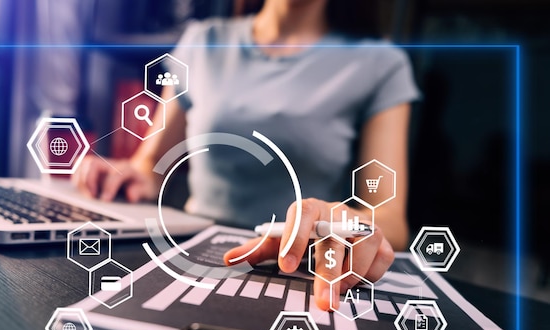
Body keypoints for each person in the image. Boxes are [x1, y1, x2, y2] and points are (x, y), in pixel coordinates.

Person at [72, 0, 419, 311]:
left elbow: (388, 217)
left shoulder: (380, 63)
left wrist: (347, 224)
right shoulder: (201, 41)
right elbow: (151, 164)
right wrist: (129, 173)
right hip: (193, 255)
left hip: (303, 272)